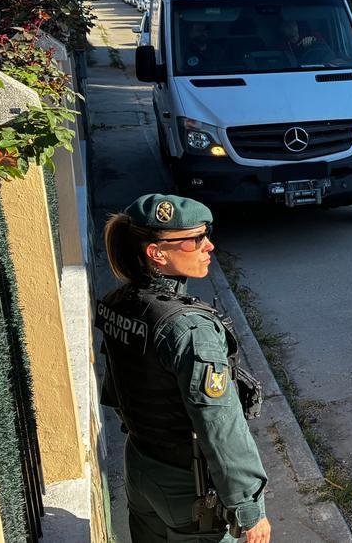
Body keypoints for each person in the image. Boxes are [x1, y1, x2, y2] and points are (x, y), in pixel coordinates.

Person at [97, 194, 270, 543]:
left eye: (206, 234)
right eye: (195, 239)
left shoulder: (120, 303)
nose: (209, 246)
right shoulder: (190, 329)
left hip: (142, 467)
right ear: (157, 253)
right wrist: (248, 508)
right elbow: (220, 424)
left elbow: (119, 389)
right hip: (187, 488)